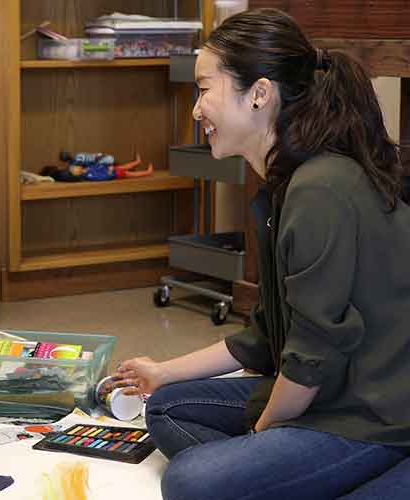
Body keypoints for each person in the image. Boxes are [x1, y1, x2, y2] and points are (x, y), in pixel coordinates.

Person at [115, 8, 410, 500]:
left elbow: (308, 359)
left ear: (259, 94)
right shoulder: (287, 184)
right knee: (166, 405)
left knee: (190, 481)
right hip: (328, 396)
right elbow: (266, 336)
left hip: (372, 415)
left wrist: (260, 437)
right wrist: (164, 371)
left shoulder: (320, 189)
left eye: (205, 89)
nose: (195, 109)